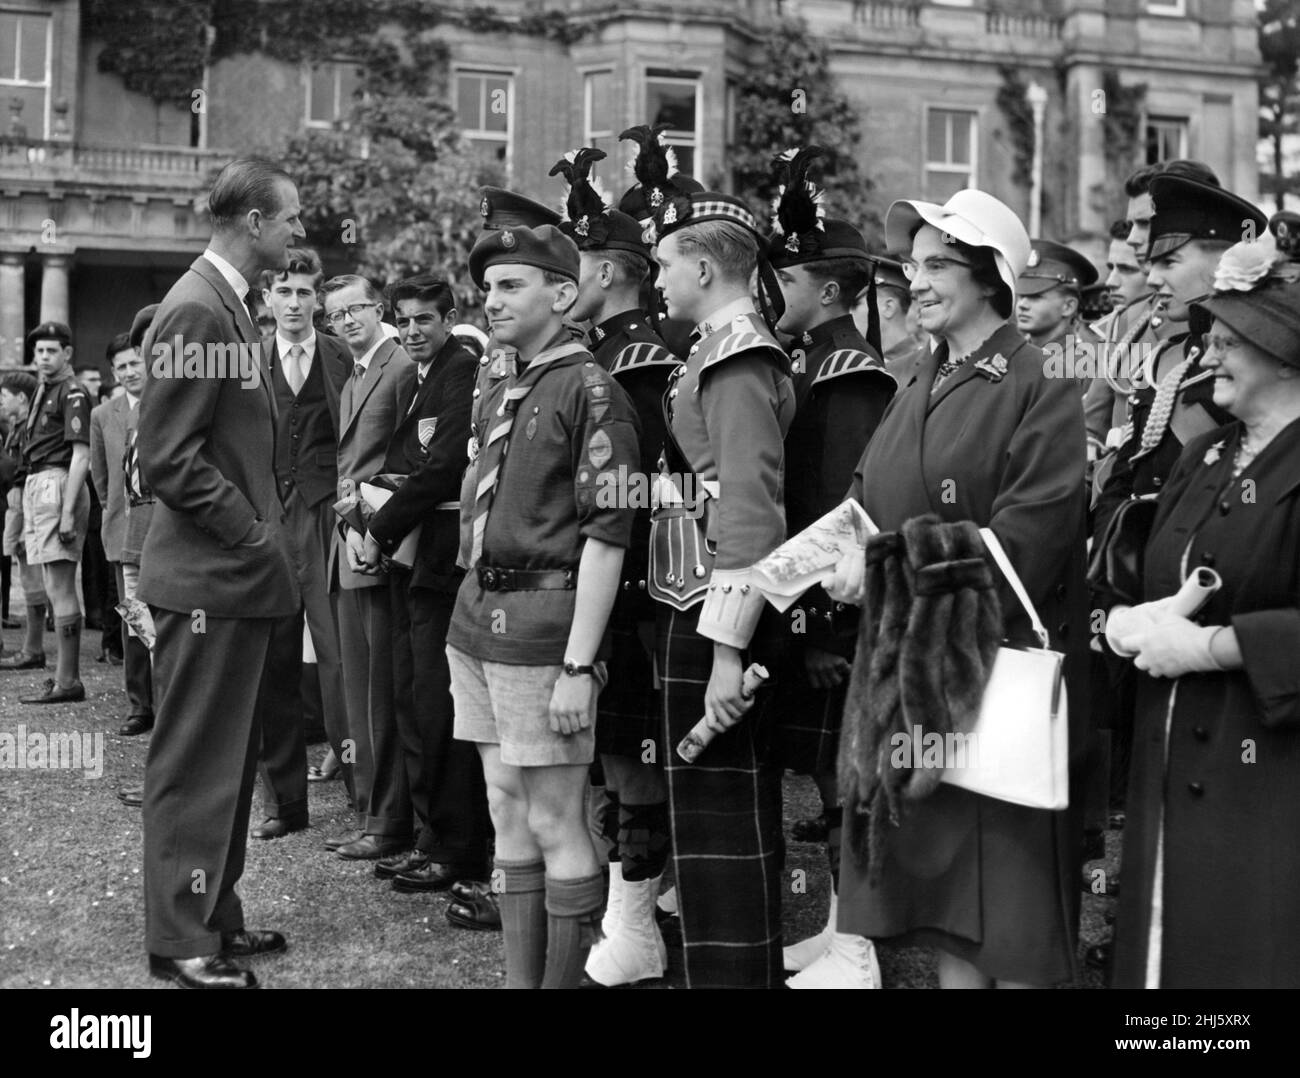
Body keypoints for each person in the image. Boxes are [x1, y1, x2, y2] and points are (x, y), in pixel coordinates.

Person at [826, 188, 1089, 988]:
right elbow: (866, 502)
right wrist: (813, 560)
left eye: (938, 264)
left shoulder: (1038, 380)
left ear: (988, 278)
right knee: (943, 918)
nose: (918, 280)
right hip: (909, 679)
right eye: (914, 265)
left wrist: (881, 568)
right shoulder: (920, 377)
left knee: (1010, 928)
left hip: (991, 678)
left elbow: (1027, 546)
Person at [445, 222, 638, 988]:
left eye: (510, 285)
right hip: (478, 622)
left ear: (563, 294)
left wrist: (579, 666)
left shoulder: (592, 390)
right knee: (504, 806)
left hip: (544, 634)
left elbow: (608, 538)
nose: (491, 301)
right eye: (488, 287)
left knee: (557, 820)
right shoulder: (506, 378)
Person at [1105, 240, 1300, 987]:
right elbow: (1148, 570)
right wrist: (1126, 619)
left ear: (1286, 356)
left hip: (1267, 774)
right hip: (1169, 763)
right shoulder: (1207, 454)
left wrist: (1214, 647)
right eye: (1209, 339)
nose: (1209, 355)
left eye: (1229, 342)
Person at [137, 156, 305, 989]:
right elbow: (168, 460)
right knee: (196, 763)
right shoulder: (198, 311)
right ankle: (179, 941)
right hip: (211, 579)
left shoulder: (224, 307)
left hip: (231, 582)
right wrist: (251, 534)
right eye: (289, 219)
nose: (299, 232)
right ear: (251, 223)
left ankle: (214, 914)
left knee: (230, 762)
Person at [649, 186, 796, 988]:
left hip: (722, 611)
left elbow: (749, 508)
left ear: (703, 267)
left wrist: (726, 651)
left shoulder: (737, 356)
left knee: (725, 831)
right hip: (700, 596)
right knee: (705, 824)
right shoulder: (718, 345)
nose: (658, 281)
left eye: (666, 265)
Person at [760, 147, 896, 988]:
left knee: (844, 779)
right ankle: (841, 928)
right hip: (801, 608)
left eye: (792, 280)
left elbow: (842, 519)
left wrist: (819, 628)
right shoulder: (810, 360)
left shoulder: (850, 375)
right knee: (820, 772)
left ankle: (859, 945)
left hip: (832, 616)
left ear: (833, 292)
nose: (777, 293)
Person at [551, 146, 679, 986]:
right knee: (613, 756)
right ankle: (630, 911)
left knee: (632, 759)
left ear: (605, 269)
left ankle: (636, 924)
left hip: (636, 587)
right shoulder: (609, 352)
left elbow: (641, 493)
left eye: (574, 265)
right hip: (613, 583)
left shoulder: (638, 360)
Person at [359, 274, 490, 895]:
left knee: (439, 708)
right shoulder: (421, 376)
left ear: (449, 317)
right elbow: (401, 460)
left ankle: (457, 849)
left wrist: (378, 528)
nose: (412, 330)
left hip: (441, 561)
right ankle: (432, 838)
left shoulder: (460, 368)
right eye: (404, 320)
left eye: (424, 320)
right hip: (419, 559)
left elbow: (442, 468)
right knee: (416, 699)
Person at [1094, 176, 1266, 542]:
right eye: (1152, 264)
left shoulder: (1260, 365)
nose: (1152, 278)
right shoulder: (1166, 358)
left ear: (1225, 262)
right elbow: (1123, 479)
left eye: (1169, 262)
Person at [248, 248, 352, 841]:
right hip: (267, 519)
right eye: (283, 293)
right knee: (273, 661)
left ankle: (366, 797)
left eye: (304, 294)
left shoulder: (341, 356)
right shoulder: (246, 360)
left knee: (340, 657)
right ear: (267, 300)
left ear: (319, 300)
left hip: (325, 515)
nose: (293, 303)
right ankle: (283, 804)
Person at [324, 274, 416, 860]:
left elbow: (404, 462)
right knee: (358, 688)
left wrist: (374, 533)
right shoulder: (359, 371)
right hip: (348, 539)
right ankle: (369, 811)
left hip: (377, 540)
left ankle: (388, 823)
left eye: (356, 308)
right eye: (336, 315)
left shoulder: (400, 367)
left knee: (381, 691)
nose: (348, 320)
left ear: (378, 308)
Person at [7, 322, 92, 704]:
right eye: (39, 351)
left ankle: (69, 680)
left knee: (60, 586)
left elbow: (81, 456)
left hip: (57, 485)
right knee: (50, 582)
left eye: (51, 351)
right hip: (40, 484)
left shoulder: (72, 392)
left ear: (67, 354)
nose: (43, 358)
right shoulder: (47, 389)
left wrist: (69, 511)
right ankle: (62, 676)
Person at [88, 333, 152, 735]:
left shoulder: (167, 402)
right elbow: (100, 475)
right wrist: (114, 513)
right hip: (124, 531)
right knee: (134, 623)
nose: (130, 372)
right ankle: (140, 705)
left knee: (167, 624)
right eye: (122, 367)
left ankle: (169, 704)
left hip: (165, 532)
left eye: (135, 363)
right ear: (113, 373)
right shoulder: (102, 415)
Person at [0, 371, 48, 670]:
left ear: (21, 398)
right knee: (26, 572)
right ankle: (32, 648)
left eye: (4, 397)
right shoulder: (17, 427)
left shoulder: (29, 428)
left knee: (32, 577)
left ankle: (33, 648)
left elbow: (16, 468)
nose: (1, 403)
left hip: (27, 505)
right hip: (16, 508)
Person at [856, 257, 927, 381]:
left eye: (855, 305)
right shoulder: (861, 364)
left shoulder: (925, 364)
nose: (847, 313)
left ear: (888, 307)